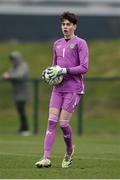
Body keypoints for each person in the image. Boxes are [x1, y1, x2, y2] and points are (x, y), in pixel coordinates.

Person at [35, 11, 89, 168]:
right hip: (58, 89)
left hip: (73, 88)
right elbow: (54, 65)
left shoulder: (80, 43)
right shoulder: (56, 44)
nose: (65, 27)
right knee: (51, 121)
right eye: (63, 24)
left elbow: (84, 67)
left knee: (63, 123)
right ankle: (46, 157)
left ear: (74, 26)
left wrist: (64, 71)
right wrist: (49, 73)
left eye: (68, 24)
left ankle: (69, 151)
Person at [2, 51, 30, 136]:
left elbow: (19, 75)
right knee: (19, 110)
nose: (12, 60)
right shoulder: (13, 67)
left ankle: (25, 129)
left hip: (23, 92)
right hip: (16, 92)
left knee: (22, 110)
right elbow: (10, 74)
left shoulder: (23, 66)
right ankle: (22, 128)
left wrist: (9, 76)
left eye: (13, 59)